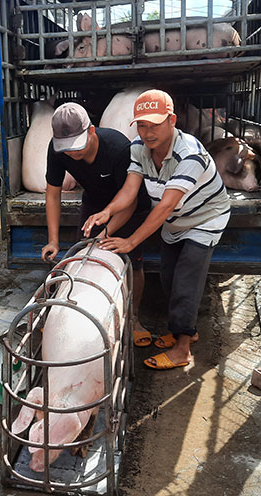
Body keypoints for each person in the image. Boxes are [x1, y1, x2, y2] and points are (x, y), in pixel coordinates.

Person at [82, 89, 230, 370]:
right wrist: (107, 211)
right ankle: (185, 330)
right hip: (175, 220)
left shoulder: (190, 154)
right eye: (141, 124)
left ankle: (183, 349)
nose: (147, 132)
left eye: (154, 124)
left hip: (204, 219)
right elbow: (130, 190)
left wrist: (131, 241)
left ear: (172, 120)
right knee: (169, 277)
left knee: (186, 280)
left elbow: (163, 206)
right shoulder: (139, 147)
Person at [42, 102, 154, 346]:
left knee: (132, 262)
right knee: (87, 255)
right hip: (94, 202)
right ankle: (82, 316)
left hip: (130, 204)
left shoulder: (118, 148)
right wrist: (53, 240)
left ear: (91, 131)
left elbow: (130, 200)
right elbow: (52, 193)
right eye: (65, 148)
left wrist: (106, 231)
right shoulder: (57, 150)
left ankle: (134, 317)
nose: (71, 153)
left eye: (76, 145)